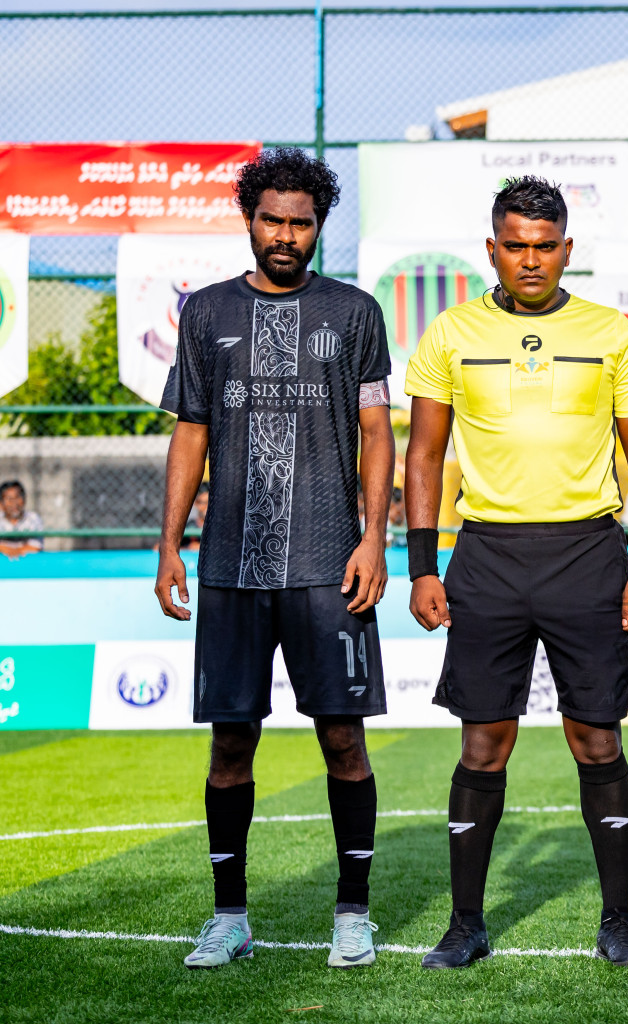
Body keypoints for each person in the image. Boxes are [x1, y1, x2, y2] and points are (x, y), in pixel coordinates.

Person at [403, 176, 628, 969]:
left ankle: (618, 922)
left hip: (588, 552)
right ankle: (466, 924)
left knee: (596, 738)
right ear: (492, 248)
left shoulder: (610, 331)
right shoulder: (450, 332)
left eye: (544, 246)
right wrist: (422, 565)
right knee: (485, 743)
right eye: (515, 245)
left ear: (567, 251)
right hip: (486, 555)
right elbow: (422, 453)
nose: (530, 259)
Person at [155, 148, 395, 971]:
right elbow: (190, 430)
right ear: (249, 220)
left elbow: (374, 431)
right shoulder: (205, 313)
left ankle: (353, 914)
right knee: (231, 746)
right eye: (273, 220)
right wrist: (169, 543)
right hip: (229, 567)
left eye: (301, 222)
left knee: (343, 742)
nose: (286, 235)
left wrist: (375, 535)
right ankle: (229, 917)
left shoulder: (356, 312)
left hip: (330, 563)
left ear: (319, 225)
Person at [0, 480, 44, 557]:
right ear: (1, 504)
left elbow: (35, 547)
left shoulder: (33, 518)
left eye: (17, 497)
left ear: (24, 500)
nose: (14, 503)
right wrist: (16, 551)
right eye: (9, 499)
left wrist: (14, 552)